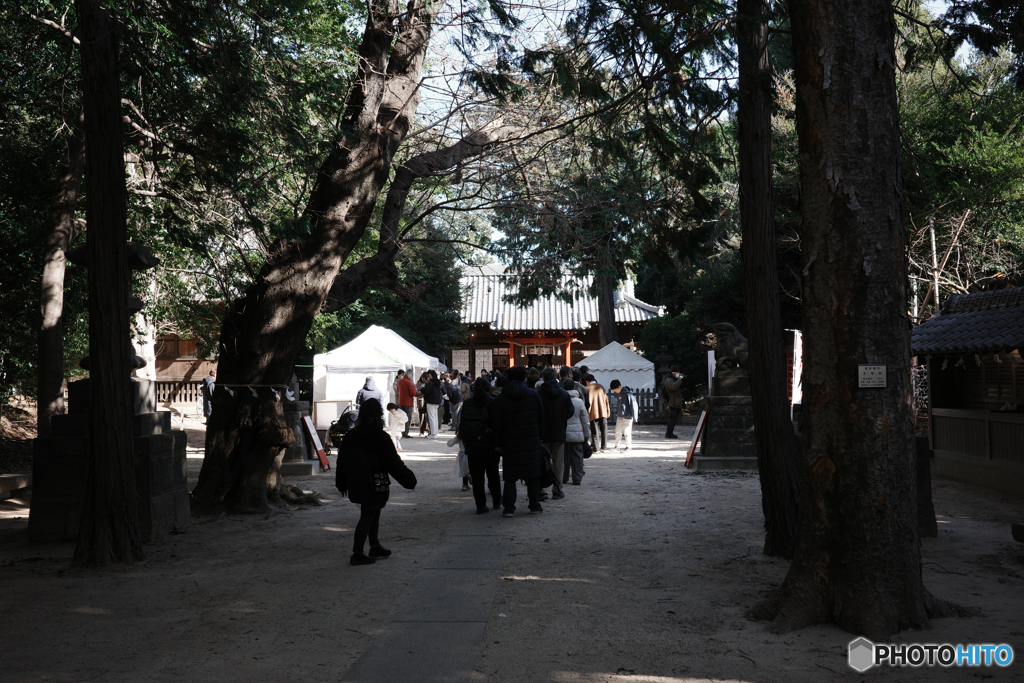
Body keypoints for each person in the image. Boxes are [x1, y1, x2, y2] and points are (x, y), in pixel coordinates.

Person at [335, 399, 417, 566]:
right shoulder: (379, 436)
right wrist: (409, 480)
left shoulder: (352, 435)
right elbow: (393, 463)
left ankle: (374, 546)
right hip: (374, 482)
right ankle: (357, 552)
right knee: (368, 514)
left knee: (373, 511)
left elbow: (341, 462)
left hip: (357, 481)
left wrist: (342, 483)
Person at [489, 365, 545, 517]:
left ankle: (509, 508)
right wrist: (540, 436)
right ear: (524, 377)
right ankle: (534, 505)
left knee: (510, 477)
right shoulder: (533, 394)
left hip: (509, 441)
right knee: (533, 475)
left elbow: (496, 423)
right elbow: (541, 418)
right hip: (530, 440)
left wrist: (497, 443)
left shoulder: (500, 399)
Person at [458, 377, 502, 513]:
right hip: (489, 445)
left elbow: (462, 423)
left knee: (477, 478)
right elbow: (497, 424)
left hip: (472, 445)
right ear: (490, 388)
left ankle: (480, 505)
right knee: (493, 474)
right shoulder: (493, 402)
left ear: (474, 388)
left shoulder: (468, 403)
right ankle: (496, 501)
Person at [538, 367, 575, 500]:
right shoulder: (564, 394)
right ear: (556, 377)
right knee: (558, 463)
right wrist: (561, 418)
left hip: (542, 433)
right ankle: (557, 489)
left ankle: (542, 489)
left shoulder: (538, 394)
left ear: (543, 377)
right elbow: (571, 411)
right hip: (559, 431)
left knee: (542, 461)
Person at [561, 377, 589, 485]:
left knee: (564, 457)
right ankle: (577, 478)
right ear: (574, 387)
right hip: (577, 432)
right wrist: (587, 434)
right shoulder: (579, 402)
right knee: (577, 456)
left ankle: (564, 477)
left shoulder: (561, 399)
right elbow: (585, 420)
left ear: (563, 387)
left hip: (564, 432)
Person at [609, 380, 639, 451]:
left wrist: (635, 417)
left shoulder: (627, 393)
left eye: (615, 390)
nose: (615, 391)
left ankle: (628, 447)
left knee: (627, 432)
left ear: (619, 387)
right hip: (620, 416)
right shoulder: (619, 394)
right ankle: (617, 446)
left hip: (628, 416)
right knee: (617, 432)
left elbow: (634, 405)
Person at [584, 374, 611, 453]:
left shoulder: (587, 388)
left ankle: (596, 448)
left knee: (594, 431)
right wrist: (607, 411)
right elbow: (606, 399)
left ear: (587, 381)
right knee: (604, 430)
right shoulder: (600, 386)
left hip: (592, 412)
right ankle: (604, 447)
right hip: (603, 411)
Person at [664, 366, 685, 439]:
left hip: (675, 402)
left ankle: (670, 433)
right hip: (672, 402)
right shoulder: (669, 380)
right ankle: (669, 433)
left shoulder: (672, 379)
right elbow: (673, 387)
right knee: (672, 418)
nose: (678, 374)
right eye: (677, 372)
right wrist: (679, 380)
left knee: (674, 419)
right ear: (674, 372)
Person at [396, 369, 417, 438]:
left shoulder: (399, 382)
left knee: (402, 418)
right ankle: (406, 432)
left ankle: (402, 432)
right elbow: (413, 393)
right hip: (408, 402)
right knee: (407, 418)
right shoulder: (410, 382)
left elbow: (398, 391)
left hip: (401, 402)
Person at [421, 370, 443, 438]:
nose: (428, 376)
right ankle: (435, 433)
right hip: (436, 402)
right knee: (435, 418)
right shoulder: (437, 382)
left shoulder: (430, 383)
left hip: (430, 402)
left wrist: (422, 389)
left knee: (432, 418)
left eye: (428, 375)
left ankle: (433, 433)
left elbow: (427, 391)